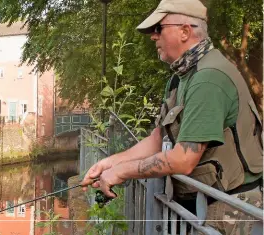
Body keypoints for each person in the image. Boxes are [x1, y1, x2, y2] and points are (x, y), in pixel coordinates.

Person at [80, 0, 263, 234]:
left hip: (229, 212)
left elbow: (183, 159)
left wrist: (122, 172)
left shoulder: (209, 78)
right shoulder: (181, 77)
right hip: (203, 207)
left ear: (185, 31)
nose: (152, 37)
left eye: (158, 29)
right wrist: (110, 163)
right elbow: (158, 138)